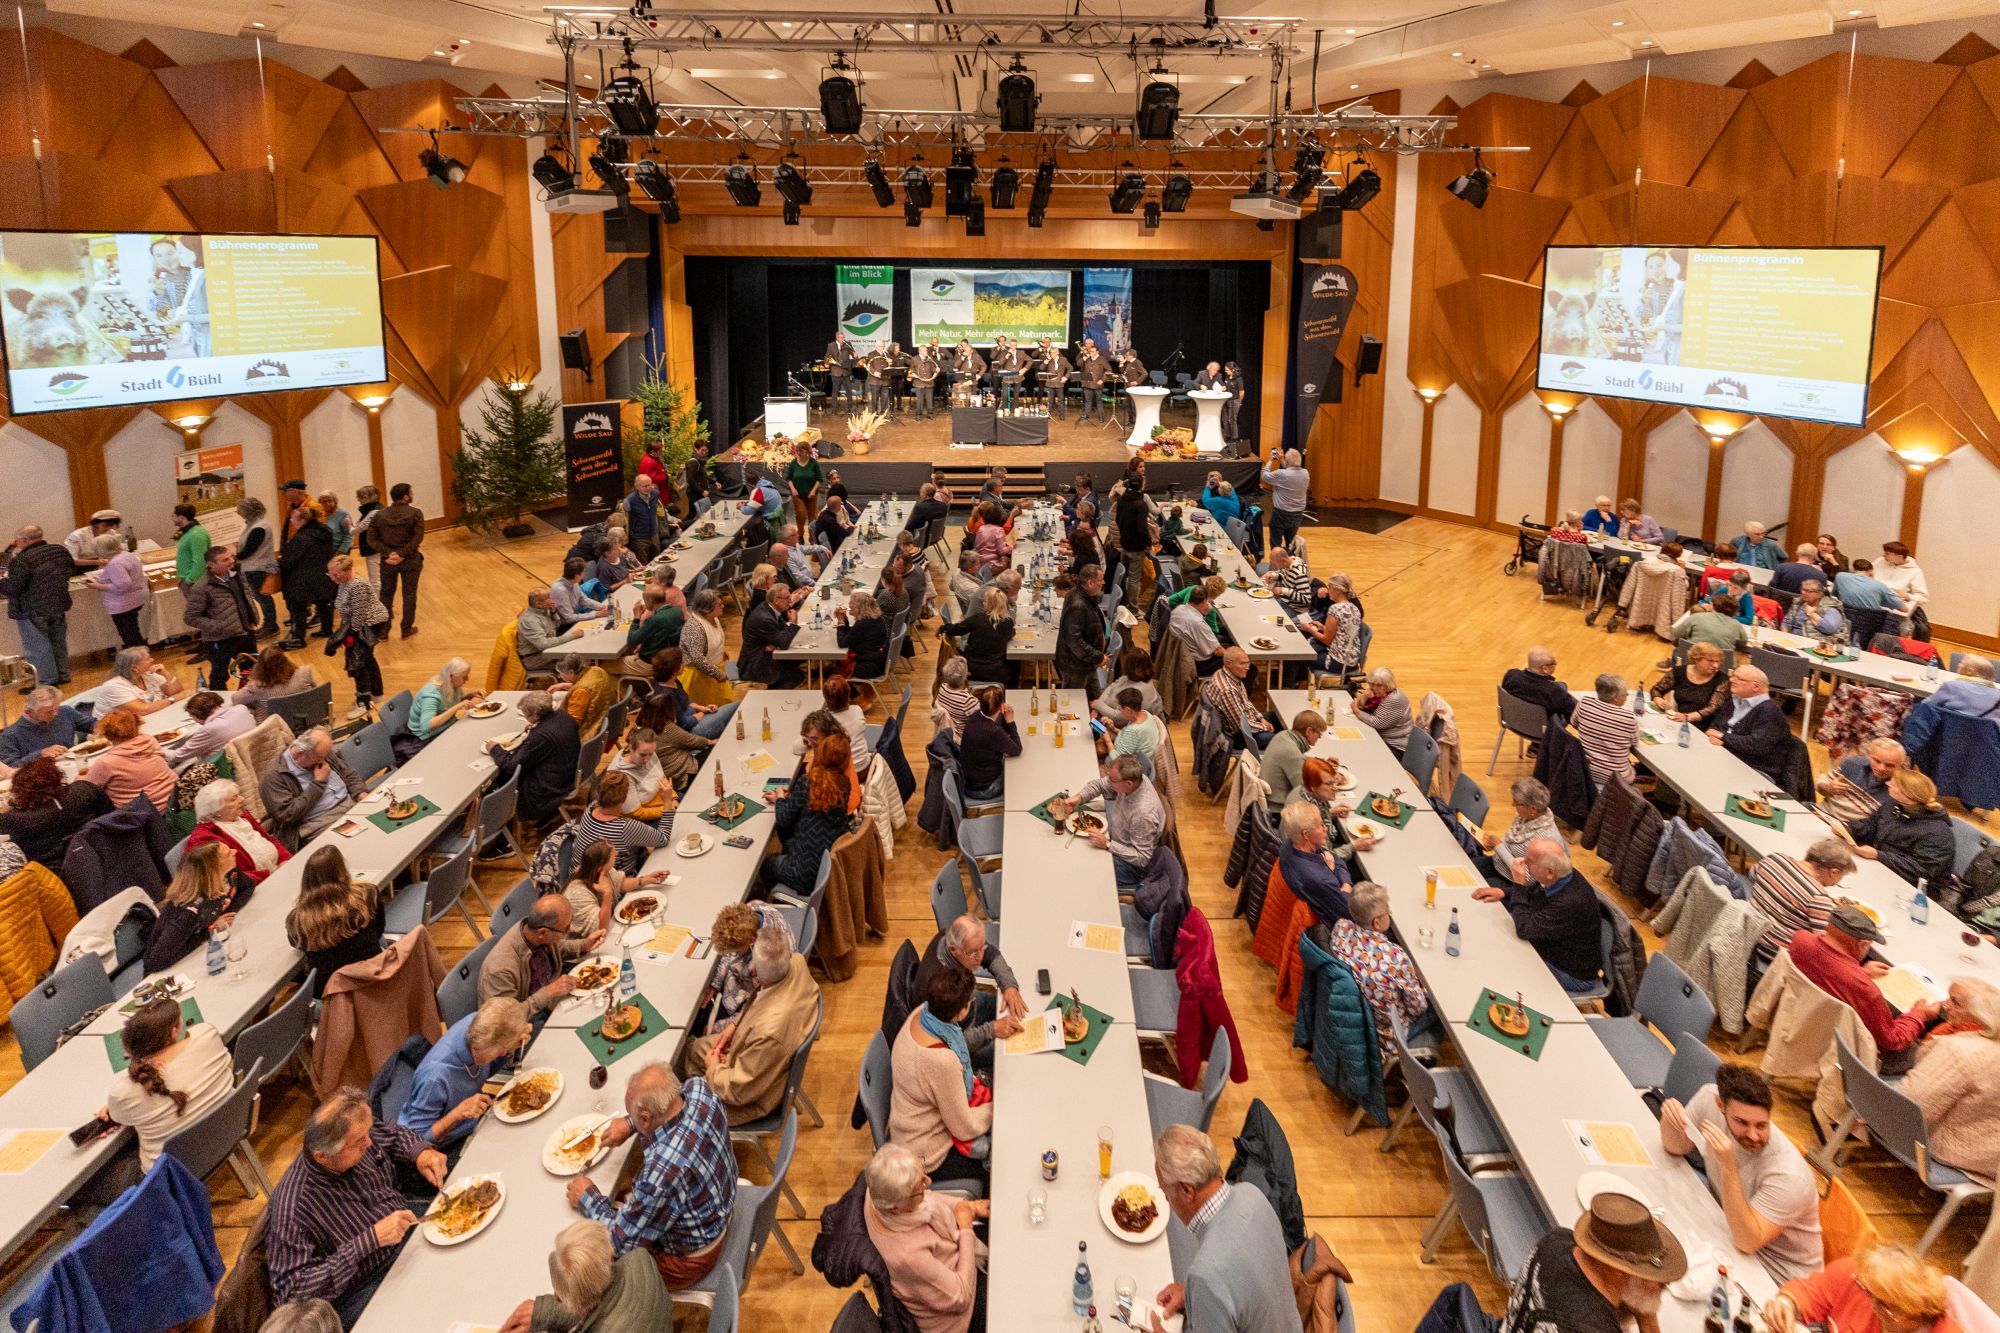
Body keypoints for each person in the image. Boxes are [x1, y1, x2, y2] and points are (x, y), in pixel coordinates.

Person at [266, 1089, 448, 1323]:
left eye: (367, 1133)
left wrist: (419, 1152)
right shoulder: (294, 1209)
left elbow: (393, 1134)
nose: (370, 1143)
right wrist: (368, 1241)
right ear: (323, 1157)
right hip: (365, 1285)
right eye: (359, 1143)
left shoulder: (358, 1134)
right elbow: (292, 1295)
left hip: (408, 1233)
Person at [565, 1063, 736, 1290]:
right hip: (719, 1206)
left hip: (691, 1257)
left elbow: (617, 1242)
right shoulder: (700, 1089)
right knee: (627, 1196)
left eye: (636, 1118)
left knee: (591, 1269)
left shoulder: (661, 1173)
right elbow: (670, 1104)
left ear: (646, 1118)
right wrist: (629, 1123)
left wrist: (587, 1197)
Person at [1660, 1065, 1823, 1280]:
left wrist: (1728, 1167)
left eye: (1762, 1125)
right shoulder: (1708, 1098)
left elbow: (1747, 1241)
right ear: (1721, 1105)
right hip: (1727, 1231)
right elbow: (1675, 1148)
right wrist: (1671, 1119)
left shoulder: (1790, 1175)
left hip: (1777, 1275)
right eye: (1742, 1123)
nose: (1754, 1135)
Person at [1147, 1124, 1304, 1333]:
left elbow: (1218, 1276)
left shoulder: (1206, 1276)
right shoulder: (1252, 1194)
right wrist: (1192, 1295)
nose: (1166, 1199)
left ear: (1186, 1190)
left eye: (1165, 1192)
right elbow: (1247, 1279)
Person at [677, 924, 820, 1124]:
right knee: (691, 1050)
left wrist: (713, 1068)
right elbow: (759, 1000)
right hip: (754, 1055)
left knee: (675, 1111)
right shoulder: (796, 962)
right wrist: (735, 1026)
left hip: (753, 1097)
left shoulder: (768, 1032)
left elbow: (737, 1091)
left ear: (756, 971)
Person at [1500, 1192, 1687, 1333]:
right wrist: (1648, 1322)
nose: (1665, 1284)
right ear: (1620, 1270)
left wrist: (1642, 1305)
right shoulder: (1595, 1326)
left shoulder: (1556, 1239)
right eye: (1652, 1274)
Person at [862, 1142, 989, 1333]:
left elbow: (926, 1199)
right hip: (954, 1313)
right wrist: (965, 1229)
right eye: (919, 1187)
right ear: (896, 1207)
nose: (928, 1182)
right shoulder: (907, 1255)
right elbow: (961, 1296)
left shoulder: (877, 1191)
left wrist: (967, 1207)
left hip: (950, 1253)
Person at [103, 995, 234, 1171]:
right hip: (227, 1134)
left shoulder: (124, 1093)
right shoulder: (207, 1035)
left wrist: (113, 1107)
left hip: (171, 1176)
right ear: (173, 1032)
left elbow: (117, 1117)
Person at [1786, 905, 1941, 1054]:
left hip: (1793, 1022)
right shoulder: (1866, 990)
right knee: (1919, 1050)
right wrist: (1919, 1014)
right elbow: (1893, 1040)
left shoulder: (1800, 940)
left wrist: (1860, 971)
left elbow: (1826, 970)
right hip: (1837, 1050)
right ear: (1862, 944)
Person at [890, 966, 993, 1187]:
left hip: (908, 1125)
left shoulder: (921, 1014)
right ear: (960, 1012)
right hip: (927, 1155)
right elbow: (964, 1127)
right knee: (1003, 1149)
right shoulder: (941, 1062)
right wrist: (997, 1107)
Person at [1473, 838, 1604, 993]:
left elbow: (1524, 930)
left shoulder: (1569, 902)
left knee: (1498, 964)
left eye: (1530, 861)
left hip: (1570, 974)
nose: (1522, 862)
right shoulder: (1560, 875)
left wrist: (1518, 885)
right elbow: (1534, 893)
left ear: (1549, 872)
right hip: (1550, 947)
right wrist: (1503, 892)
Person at [399, 997, 531, 1147]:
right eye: (501, 1051)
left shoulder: (479, 1024)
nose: (502, 1054)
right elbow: (415, 1142)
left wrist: (511, 1047)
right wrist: (456, 1114)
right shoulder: (435, 1077)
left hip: (475, 1119)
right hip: (447, 1143)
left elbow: (483, 1071)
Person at [497, 1218, 670, 1333]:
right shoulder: (639, 1258)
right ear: (610, 1251)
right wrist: (544, 1312)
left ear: (559, 1297)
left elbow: (591, 1304)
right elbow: (601, 1300)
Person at [1900, 984, 2000, 1181]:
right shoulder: (1960, 1045)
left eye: (1955, 1002)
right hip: (1974, 1153)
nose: (1945, 1005)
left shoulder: (1958, 1048)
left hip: (1949, 1149)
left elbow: (1908, 1107)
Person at [1331, 881, 1438, 1061]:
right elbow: (1418, 1008)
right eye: (1387, 909)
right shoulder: (1395, 959)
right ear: (1377, 922)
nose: (1390, 911)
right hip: (1388, 1034)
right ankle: (1423, 1058)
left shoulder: (1340, 928)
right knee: (1439, 1001)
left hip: (1358, 1019)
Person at [1765, 1244, 1962, 1333]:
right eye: (1870, 1294)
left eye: (1888, 1307)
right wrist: (1786, 1304)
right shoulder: (1861, 1277)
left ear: (1918, 1312)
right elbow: (1811, 1290)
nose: (1874, 1307)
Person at [1048, 754, 1164, 892]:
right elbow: (1099, 785)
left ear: (1128, 784)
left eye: (1112, 780)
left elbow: (1142, 858)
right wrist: (1078, 798)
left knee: (1079, 868)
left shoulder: (1143, 814)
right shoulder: (1137, 780)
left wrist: (1107, 844)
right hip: (1118, 838)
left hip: (1132, 867)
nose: (1108, 781)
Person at [762, 731, 857, 893]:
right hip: (831, 864)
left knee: (767, 865)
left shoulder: (807, 782)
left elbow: (783, 819)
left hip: (804, 874)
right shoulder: (844, 782)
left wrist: (779, 797)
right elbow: (819, 804)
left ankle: (776, 902)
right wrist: (792, 798)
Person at [480, 894, 601, 1017]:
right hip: (528, 1022)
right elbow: (505, 1019)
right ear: (543, 932)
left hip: (550, 998)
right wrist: (548, 992)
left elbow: (556, 946)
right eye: (566, 929)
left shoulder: (533, 932)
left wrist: (583, 945)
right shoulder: (499, 970)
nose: (568, 932)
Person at [286, 847, 385, 996]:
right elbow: (379, 930)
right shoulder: (368, 893)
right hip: (373, 978)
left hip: (331, 996)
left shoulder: (297, 920)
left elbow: (297, 945)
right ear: (342, 872)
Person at [142, 838, 252, 972]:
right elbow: (154, 962)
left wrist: (228, 914)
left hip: (204, 951)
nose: (235, 852)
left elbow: (248, 886)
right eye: (228, 854)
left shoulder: (228, 875)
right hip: (176, 969)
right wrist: (210, 931)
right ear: (215, 867)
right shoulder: (189, 912)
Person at [1749, 838, 1856, 966]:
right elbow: (1822, 945)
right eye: (1841, 877)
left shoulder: (1774, 859)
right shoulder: (1818, 897)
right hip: (1774, 956)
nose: (1837, 883)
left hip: (1747, 933)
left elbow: (1752, 875)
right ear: (1833, 872)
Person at [487, 691, 582, 834]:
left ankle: (502, 839)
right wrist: (536, 728)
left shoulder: (541, 736)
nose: (525, 717)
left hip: (550, 787)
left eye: (526, 714)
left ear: (536, 714)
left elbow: (512, 765)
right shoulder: (563, 716)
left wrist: (494, 749)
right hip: (568, 772)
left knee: (500, 782)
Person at [1847, 767, 1955, 886]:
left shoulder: (1938, 834)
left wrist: (1878, 855)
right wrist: (1849, 829)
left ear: (1907, 793)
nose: (1887, 783)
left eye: (1893, 783)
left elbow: (1921, 871)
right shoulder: (1893, 806)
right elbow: (1871, 826)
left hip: (1915, 890)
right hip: (1881, 871)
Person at [0, 756, 108, 869]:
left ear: (19, 790)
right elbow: (109, 815)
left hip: (57, 874)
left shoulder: (12, 819)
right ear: (59, 776)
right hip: (103, 852)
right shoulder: (84, 789)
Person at [261, 727, 361, 848]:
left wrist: (361, 793)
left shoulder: (321, 752)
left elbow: (348, 773)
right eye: (319, 758)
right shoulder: (273, 777)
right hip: (319, 823)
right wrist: (318, 783)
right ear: (300, 753)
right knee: (355, 846)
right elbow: (287, 815)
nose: (324, 760)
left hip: (351, 803)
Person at [2, 524, 76, 686]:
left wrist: (2, 581)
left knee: (38, 647)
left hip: (32, 609)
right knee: (58, 642)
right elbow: (71, 570)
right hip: (59, 603)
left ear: (24, 540)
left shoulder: (22, 559)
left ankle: (46, 681)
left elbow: (13, 588)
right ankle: (63, 675)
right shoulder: (59, 550)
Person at [182, 544, 261, 687]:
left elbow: (246, 596)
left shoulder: (237, 574)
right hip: (220, 639)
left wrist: (253, 616)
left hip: (245, 632)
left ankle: (247, 700)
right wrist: (220, 626)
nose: (231, 561)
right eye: (225, 560)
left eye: (231, 557)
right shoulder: (202, 587)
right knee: (219, 677)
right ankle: (219, 706)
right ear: (211, 565)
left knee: (250, 671)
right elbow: (191, 617)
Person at [186, 777, 288, 883]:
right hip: (255, 887)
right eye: (234, 799)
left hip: (280, 872)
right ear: (216, 811)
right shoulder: (203, 839)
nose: (242, 799)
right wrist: (270, 875)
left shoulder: (242, 817)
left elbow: (270, 840)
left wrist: (286, 860)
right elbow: (227, 878)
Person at [1707, 664, 1792, 784]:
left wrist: (1723, 738)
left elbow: (1756, 745)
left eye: (1739, 678)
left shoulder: (1769, 712)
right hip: (1723, 755)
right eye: (1733, 676)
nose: (1731, 680)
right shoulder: (1733, 701)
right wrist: (1714, 736)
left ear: (1756, 686)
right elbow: (1715, 726)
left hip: (1752, 770)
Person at [328, 556, 389, 719]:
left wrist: (347, 636)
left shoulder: (357, 585)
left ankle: (364, 701)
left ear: (348, 571)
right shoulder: (344, 583)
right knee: (367, 658)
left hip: (370, 624)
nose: (333, 579)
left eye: (337, 575)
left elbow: (358, 616)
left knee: (358, 661)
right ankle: (377, 693)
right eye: (331, 575)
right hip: (360, 624)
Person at [1278, 799, 1354, 926]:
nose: (1325, 828)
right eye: (1320, 825)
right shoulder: (1320, 880)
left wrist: (1341, 879)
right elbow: (1351, 912)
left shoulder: (1290, 845)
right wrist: (1343, 880)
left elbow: (1335, 858)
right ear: (1306, 834)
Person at [83, 707, 176, 811]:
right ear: (137, 725)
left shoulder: (107, 763)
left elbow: (86, 790)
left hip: (140, 817)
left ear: (106, 734)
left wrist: (79, 779)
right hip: (173, 801)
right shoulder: (151, 741)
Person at [574, 771, 670, 871]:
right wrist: (667, 801)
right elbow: (664, 839)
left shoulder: (590, 809)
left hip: (581, 877)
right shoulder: (625, 827)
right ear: (624, 799)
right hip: (615, 881)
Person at [1476, 778, 1559, 886]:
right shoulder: (1525, 817)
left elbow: (1528, 879)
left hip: (1511, 882)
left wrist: (1499, 847)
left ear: (1533, 809)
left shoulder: (1545, 840)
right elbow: (1512, 840)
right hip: (1497, 864)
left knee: (1471, 888)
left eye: (1517, 802)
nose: (1512, 804)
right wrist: (1493, 843)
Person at [370, 483, 425, 639]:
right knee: (409, 594)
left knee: (386, 595)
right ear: (406, 497)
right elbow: (418, 538)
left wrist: (390, 554)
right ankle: (406, 629)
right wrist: (401, 554)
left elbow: (372, 539)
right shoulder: (416, 513)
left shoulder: (379, 515)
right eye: (411, 492)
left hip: (387, 562)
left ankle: (383, 631)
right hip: (410, 560)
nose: (413, 494)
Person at [278, 503, 337, 648]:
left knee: (299, 608)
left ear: (302, 521)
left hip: (302, 578)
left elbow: (289, 561)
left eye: (293, 520)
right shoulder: (325, 531)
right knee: (323, 603)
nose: (292, 522)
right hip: (323, 573)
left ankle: (298, 639)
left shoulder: (301, 538)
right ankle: (327, 630)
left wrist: (280, 563)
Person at [939, 586, 1017, 689]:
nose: (983, 603)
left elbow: (956, 629)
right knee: (1015, 663)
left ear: (988, 604)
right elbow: (1010, 634)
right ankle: (1011, 692)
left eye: (985, 601)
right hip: (995, 671)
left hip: (971, 669)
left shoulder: (977, 619)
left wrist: (942, 628)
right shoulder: (1007, 623)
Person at [1569, 673, 1639, 786]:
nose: (1627, 695)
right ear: (1615, 698)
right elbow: (1634, 744)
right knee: (1632, 770)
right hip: (1615, 778)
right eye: (1625, 694)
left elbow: (1574, 723)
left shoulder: (1584, 703)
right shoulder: (1628, 718)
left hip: (1584, 768)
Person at [405, 657, 483, 757]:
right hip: (428, 737)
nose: (467, 679)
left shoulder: (453, 686)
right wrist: (457, 707)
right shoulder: (431, 694)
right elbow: (426, 726)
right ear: (452, 676)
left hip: (447, 726)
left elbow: (449, 704)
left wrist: (470, 696)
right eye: (464, 676)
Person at [83, 532, 149, 650]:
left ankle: (136, 660)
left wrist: (97, 585)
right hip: (136, 598)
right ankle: (141, 655)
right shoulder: (126, 555)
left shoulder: (115, 564)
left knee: (129, 635)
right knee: (133, 631)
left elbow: (123, 585)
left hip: (124, 604)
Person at [1816, 735, 1906, 821]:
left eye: (1889, 765)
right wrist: (1829, 788)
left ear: (1900, 766)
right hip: (1822, 813)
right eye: (1877, 761)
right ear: (1869, 756)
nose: (1881, 768)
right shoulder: (1853, 764)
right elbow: (1819, 784)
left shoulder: (1898, 792)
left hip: (1850, 833)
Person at [1202, 647, 1281, 742]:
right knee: (1283, 739)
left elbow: (1246, 702)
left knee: (1278, 717)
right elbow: (1241, 726)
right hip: (1240, 735)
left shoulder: (1225, 673)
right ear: (1229, 663)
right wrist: (1264, 727)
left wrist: (1261, 718)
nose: (1247, 667)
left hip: (1246, 720)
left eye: (1248, 662)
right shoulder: (1228, 690)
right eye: (1242, 663)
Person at [957, 686, 1020, 802]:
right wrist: (1010, 721)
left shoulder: (974, 716)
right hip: (984, 789)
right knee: (1018, 774)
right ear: (1001, 706)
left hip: (969, 781)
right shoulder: (993, 731)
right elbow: (1016, 749)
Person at [0, 685, 88, 765]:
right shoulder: (9, 736)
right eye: (49, 711)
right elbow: (9, 768)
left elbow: (94, 725)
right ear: (29, 712)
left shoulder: (65, 712)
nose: (56, 713)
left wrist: (100, 724)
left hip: (73, 766)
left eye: (56, 708)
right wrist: (39, 755)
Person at [1055, 564, 1108, 697]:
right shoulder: (1078, 604)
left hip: (1086, 663)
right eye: (1100, 580)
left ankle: (1093, 718)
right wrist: (1097, 656)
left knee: (1095, 701)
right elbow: (1074, 641)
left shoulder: (1082, 595)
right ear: (1090, 583)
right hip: (1076, 666)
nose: (1103, 583)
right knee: (1072, 704)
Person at [1261, 709, 1328, 812]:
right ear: (1309, 731)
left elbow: (1299, 762)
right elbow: (1306, 792)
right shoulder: (1291, 752)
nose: (1319, 738)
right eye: (1319, 734)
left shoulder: (1283, 736)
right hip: (1279, 810)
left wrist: (1322, 764)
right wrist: (1330, 781)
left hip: (1270, 800)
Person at [236, 496, 282, 636]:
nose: (238, 512)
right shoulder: (254, 525)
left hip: (257, 567)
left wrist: (234, 557)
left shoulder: (259, 527)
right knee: (262, 598)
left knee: (263, 598)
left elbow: (250, 549)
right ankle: (269, 624)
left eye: (240, 510)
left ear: (248, 510)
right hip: (253, 567)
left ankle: (271, 626)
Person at [1833, 558, 1904, 648]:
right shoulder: (1880, 585)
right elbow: (1904, 608)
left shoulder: (1840, 576)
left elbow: (1835, 595)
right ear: (1871, 571)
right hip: (1870, 628)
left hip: (1844, 623)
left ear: (1853, 569)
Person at [678, 589, 732, 708]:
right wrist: (717, 673)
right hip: (698, 678)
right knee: (704, 710)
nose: (723, 606)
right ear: (708, 608)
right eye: (719, 604)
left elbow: (711, 641)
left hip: (712, 672)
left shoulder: (713, 619)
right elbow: (697, 658)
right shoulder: (694, 628)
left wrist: (720, 651)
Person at [517, 589, 591, 673]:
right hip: (536, 659)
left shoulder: (543, 611)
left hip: (548, 652)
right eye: (548, 598)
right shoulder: (530, 620)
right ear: (539, 604)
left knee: (581, 654)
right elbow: (543, 644)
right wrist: (572, 636)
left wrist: (553, 612)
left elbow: (556, 627)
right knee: (578, 666)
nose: (552, 599)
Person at [235, 644, 318, 718]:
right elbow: (316, 692)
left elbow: (235, 700)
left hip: (274, 731)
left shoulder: (256, 687)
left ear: (261, 667)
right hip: (305, 721)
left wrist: (250, 683)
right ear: (285, 660)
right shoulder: (305, 672)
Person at [1502, 646, 1576, 724]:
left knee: (1562, 686)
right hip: (1541, 730)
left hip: (1515, 721)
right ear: (1545, 669)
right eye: (1554, 664)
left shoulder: (1511, 676)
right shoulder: (1554, 692)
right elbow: (1573, 718)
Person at [1671, 593, 1753, 662]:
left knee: (1678, 645)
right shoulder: (1736, 625)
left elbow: (1676, 632)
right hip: (1721, 667)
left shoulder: (1697, 617)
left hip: (1693, 662)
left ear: (1713, 606)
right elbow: (1743, 643)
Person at [1094, 647, 1165, 723]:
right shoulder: (1132, 676)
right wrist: (1098, 705)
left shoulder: (1139, 690)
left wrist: (1098, 705)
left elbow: (1121, 718)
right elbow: (1112, 687)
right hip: (1107, 714)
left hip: (1124, 727)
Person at [1352, 666, 1415, 753]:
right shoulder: (1377, 694)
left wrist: (1357, 711)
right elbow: (1359, 705)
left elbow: (1376, 722)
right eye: (1372, 684)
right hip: (1380, 736)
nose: (1375, 688)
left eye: (1379, 685)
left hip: (1396, 745)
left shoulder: (1394, 699)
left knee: (1361, 751)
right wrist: (1365, 697)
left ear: (1388, 685)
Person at [1170, 583, 1227, 677]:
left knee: (1227, 642)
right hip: (1200, 665)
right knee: (1250, 667)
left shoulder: (1178, 609)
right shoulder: (1198, 623)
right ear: (1204, 601)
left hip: (1182, 657)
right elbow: (1217, 651)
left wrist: (1204, 614)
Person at [551, 654, 615, 737]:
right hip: (610, 722)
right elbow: (590, 686)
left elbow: (571, 724)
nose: (560, 676)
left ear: (571, 672)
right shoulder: (596, 670)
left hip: (590, 733)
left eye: (560, 673)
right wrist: (563, 685)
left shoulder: (580, 692)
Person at [1920, 653, 2000, 719]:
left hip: (1947, 735)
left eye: (1961, 663)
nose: (1958, 665)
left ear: (1969, 671)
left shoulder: (1951, 687)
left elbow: (1924, 707)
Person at [834, 590, 889, 680]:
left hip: (868, 666)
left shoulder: (863, 623)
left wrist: (840, 622)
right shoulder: (874, 618)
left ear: (859, 607)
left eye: (851, 602)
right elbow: (852, 635)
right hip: (878, 660)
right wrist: (845, 620)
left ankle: (848, 689)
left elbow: (843, 643)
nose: (849, 604)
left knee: (838, 661)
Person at [1781, 578, 1849, 645]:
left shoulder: (1831, 608)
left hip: (1817, 646)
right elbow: (1786, 622)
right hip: (1792, 642)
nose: (1803, 593)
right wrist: (1786, 637)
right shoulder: (1798, 602)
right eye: (1803, 589)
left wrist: (1811, 613)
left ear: (1820, 594)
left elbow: (1829, 628)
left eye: (1809, 591)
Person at [1877, 541, 1929, 627]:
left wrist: (1908, 596)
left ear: (1899, 557)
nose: (1883, 555)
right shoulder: (1880, 561)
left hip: (1894, 606)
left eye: (1887, 553)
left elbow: (1923, 597)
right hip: (1875, 598)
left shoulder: (1915, 572)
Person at [550, 558, 610, 628]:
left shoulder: (573, 582)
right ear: (577, 576)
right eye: (583, 573)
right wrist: (596, 614)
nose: (584, 576)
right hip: (564, 627)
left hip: (574, 620)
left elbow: (583, 599)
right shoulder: (560, 590)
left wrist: (601, 606)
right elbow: (569, 618)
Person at [622, 473, 668, 564]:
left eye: (649, 485)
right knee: (644, 564)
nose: (648, 488)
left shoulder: (655, 494)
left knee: (657, 560)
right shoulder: (629, 501)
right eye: (645, 486)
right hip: (639, 538)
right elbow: (625, 520)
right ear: (637, 486)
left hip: (654, 534)